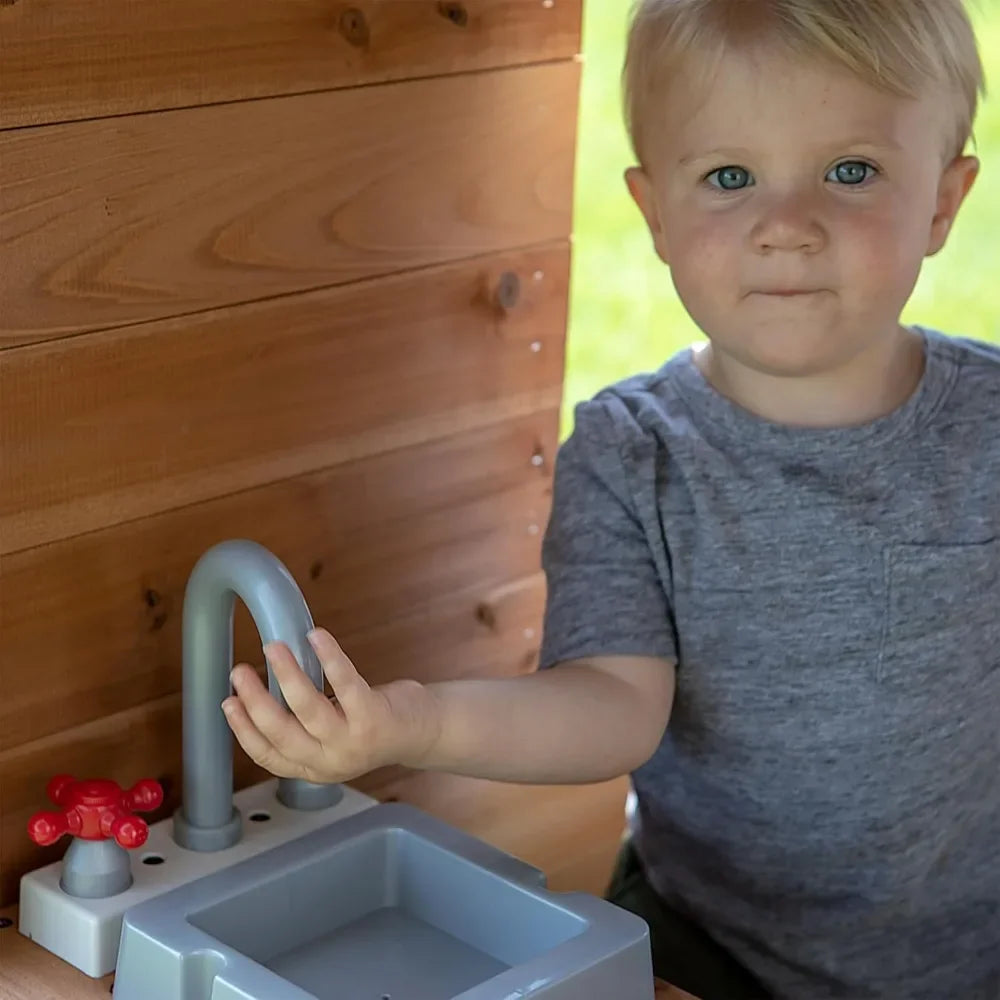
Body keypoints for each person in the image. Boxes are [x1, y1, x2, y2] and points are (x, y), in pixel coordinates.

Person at [220, 1, 1000, 997]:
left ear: (941, 200)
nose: (786, 226)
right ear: (655, 215)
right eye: (729, 176)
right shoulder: (636, 453)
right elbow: (613, 705)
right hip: (707, 943)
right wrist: (409, 722)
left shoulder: (984, 425)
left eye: (850, 171)